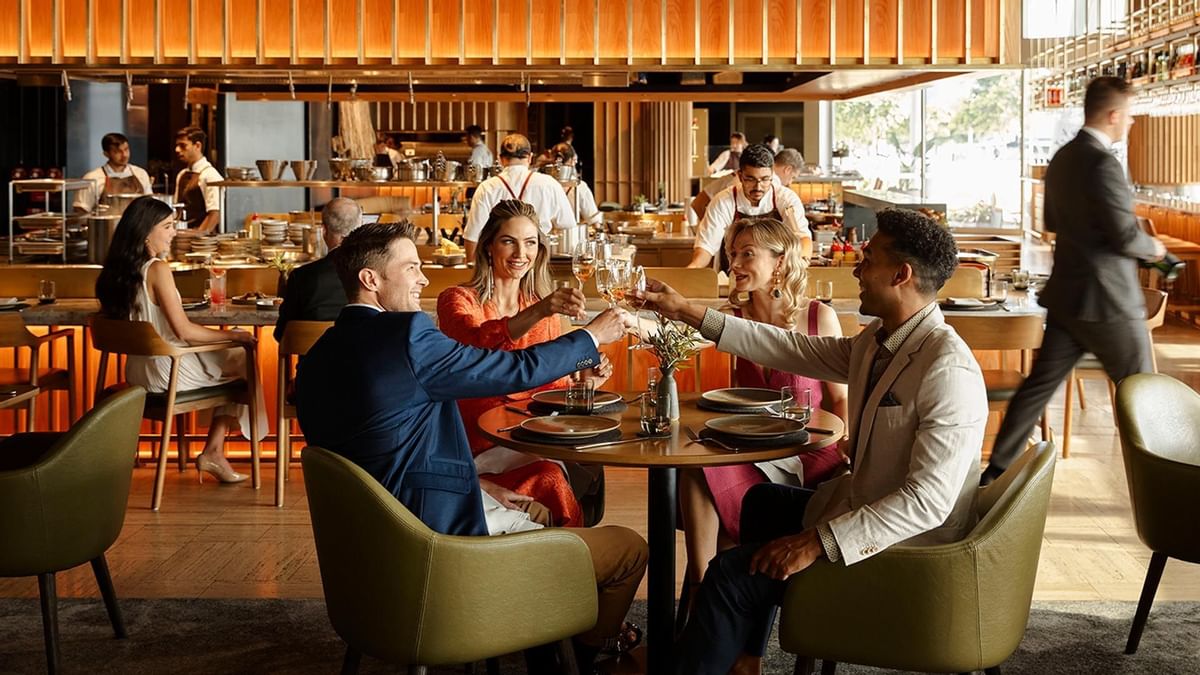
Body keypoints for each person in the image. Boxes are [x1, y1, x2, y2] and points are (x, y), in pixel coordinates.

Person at [635, 208, 988, 675]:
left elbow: (927, 503)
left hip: (904, 552)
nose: (856, 269)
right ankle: (743, 657)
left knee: (727, 574)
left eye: (867, 259)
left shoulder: (947, 366)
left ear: (901, 274)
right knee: (760, 503)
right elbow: (789, 348)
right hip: (861, 509)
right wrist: (685, 310)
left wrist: (817, 542)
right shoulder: (879, 342)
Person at [294, 221, 647, 671]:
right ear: (370, 280)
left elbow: (385, 457)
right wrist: (591, 337)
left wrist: (480, 487)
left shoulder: (319, 355)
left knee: (538, 508)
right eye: (412, 267)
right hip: (442, 553)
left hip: (378, 555)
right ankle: (583, 656)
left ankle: (540, 633)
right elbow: (512, 369)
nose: (423, 279)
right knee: (628, 549)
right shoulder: (406, 336)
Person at [981, 76, 1167, 484]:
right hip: (1108, 300)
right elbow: (1122, 235)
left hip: (1068, 297)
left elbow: (1051, 222)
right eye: (1130, 117)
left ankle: (994, 474)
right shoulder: (1104, 163)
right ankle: (1164, 477)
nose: (1131, 123)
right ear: (1114, 114)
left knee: (1037, 388)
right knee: (1144, 390)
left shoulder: (1062, 158)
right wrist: (1154, 248)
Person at [679, 217, 848, 594]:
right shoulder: (731, 318)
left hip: (811, 452)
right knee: (696, 466)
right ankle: (701, 585)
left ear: (781, 261)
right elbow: (679, 339)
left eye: (747, 255)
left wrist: (849, 455)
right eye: (732, 254)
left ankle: (708, 602)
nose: (733, 264)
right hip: (755, 449)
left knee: (712, 502)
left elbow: (839, 401)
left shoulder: (819, 317)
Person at [439, 199, 612, 529]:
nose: (521, 253)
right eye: (509, 241)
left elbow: (551, 389)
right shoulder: (458, 299)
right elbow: (478, 345)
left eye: (530, 243)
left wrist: (584, 384)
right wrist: (542, 310)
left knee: (558, 472)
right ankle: (571, 565)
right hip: (477, 445)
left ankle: (565, 564)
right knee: (550, 479)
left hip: (528, 439)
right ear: (489, 246)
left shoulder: (539, 306)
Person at [95, 196, 267, 484]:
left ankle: (214, 452)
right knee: (243, 355)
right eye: (168, 226)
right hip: (167, 372)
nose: (175, 232)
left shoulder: (113, 274)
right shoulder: (157, 269)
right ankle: (215, 450)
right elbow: (184, 332)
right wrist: (234, 335)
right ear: (146, 232)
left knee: (234, 356)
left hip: (137, 372)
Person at [689, 144, 812, 269]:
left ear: (772, 175)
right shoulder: (723, 201)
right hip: (732, 277)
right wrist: (692, 270)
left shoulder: (786, 199)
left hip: (775, 277)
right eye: (751, 179)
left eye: (765, 179)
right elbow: (706, 247)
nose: (758, 187)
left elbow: (802, 237)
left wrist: (801, 263)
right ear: (740, 176)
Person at [463, 133, 576, 258]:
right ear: (530, 157)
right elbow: (568, 225)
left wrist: (472, 267)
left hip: (502, 261)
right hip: (538, 257)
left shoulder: (487, 187)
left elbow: (472, 235)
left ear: (500, 159)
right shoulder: (550, 184)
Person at [273, 197, 363, 342]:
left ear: (324, 231)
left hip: (312, 364)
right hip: (362, 363)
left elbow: (281, 334)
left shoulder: (301, 277)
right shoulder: (372, 275)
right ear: (360, 227)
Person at [692, 147, 804, 221]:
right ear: (788, 169)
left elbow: (697, 203)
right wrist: (713, 231)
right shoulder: (774, 183)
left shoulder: (735, 173)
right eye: (793, 177)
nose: (790, 183)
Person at [73, 132, 152, 214]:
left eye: (126, 149)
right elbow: (81, 210)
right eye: (117, 152)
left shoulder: (140, 174)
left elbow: (150, 204)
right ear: (106, 154)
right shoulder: (93, 178)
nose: (124, 155)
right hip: (106, 226)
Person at [172, 126, 223, 232]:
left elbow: (215, 214)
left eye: (183, 146)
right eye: (177, 145)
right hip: (182, 234)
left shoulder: (210, 175)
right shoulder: (181, 174)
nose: (177, 150)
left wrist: (198, 237)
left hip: (202, 241)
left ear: (198, 146)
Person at [551, 142, 601, 226]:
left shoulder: (544, 184)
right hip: (571, 234)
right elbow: (594, 220)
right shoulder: (580, 186)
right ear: (572, 160)